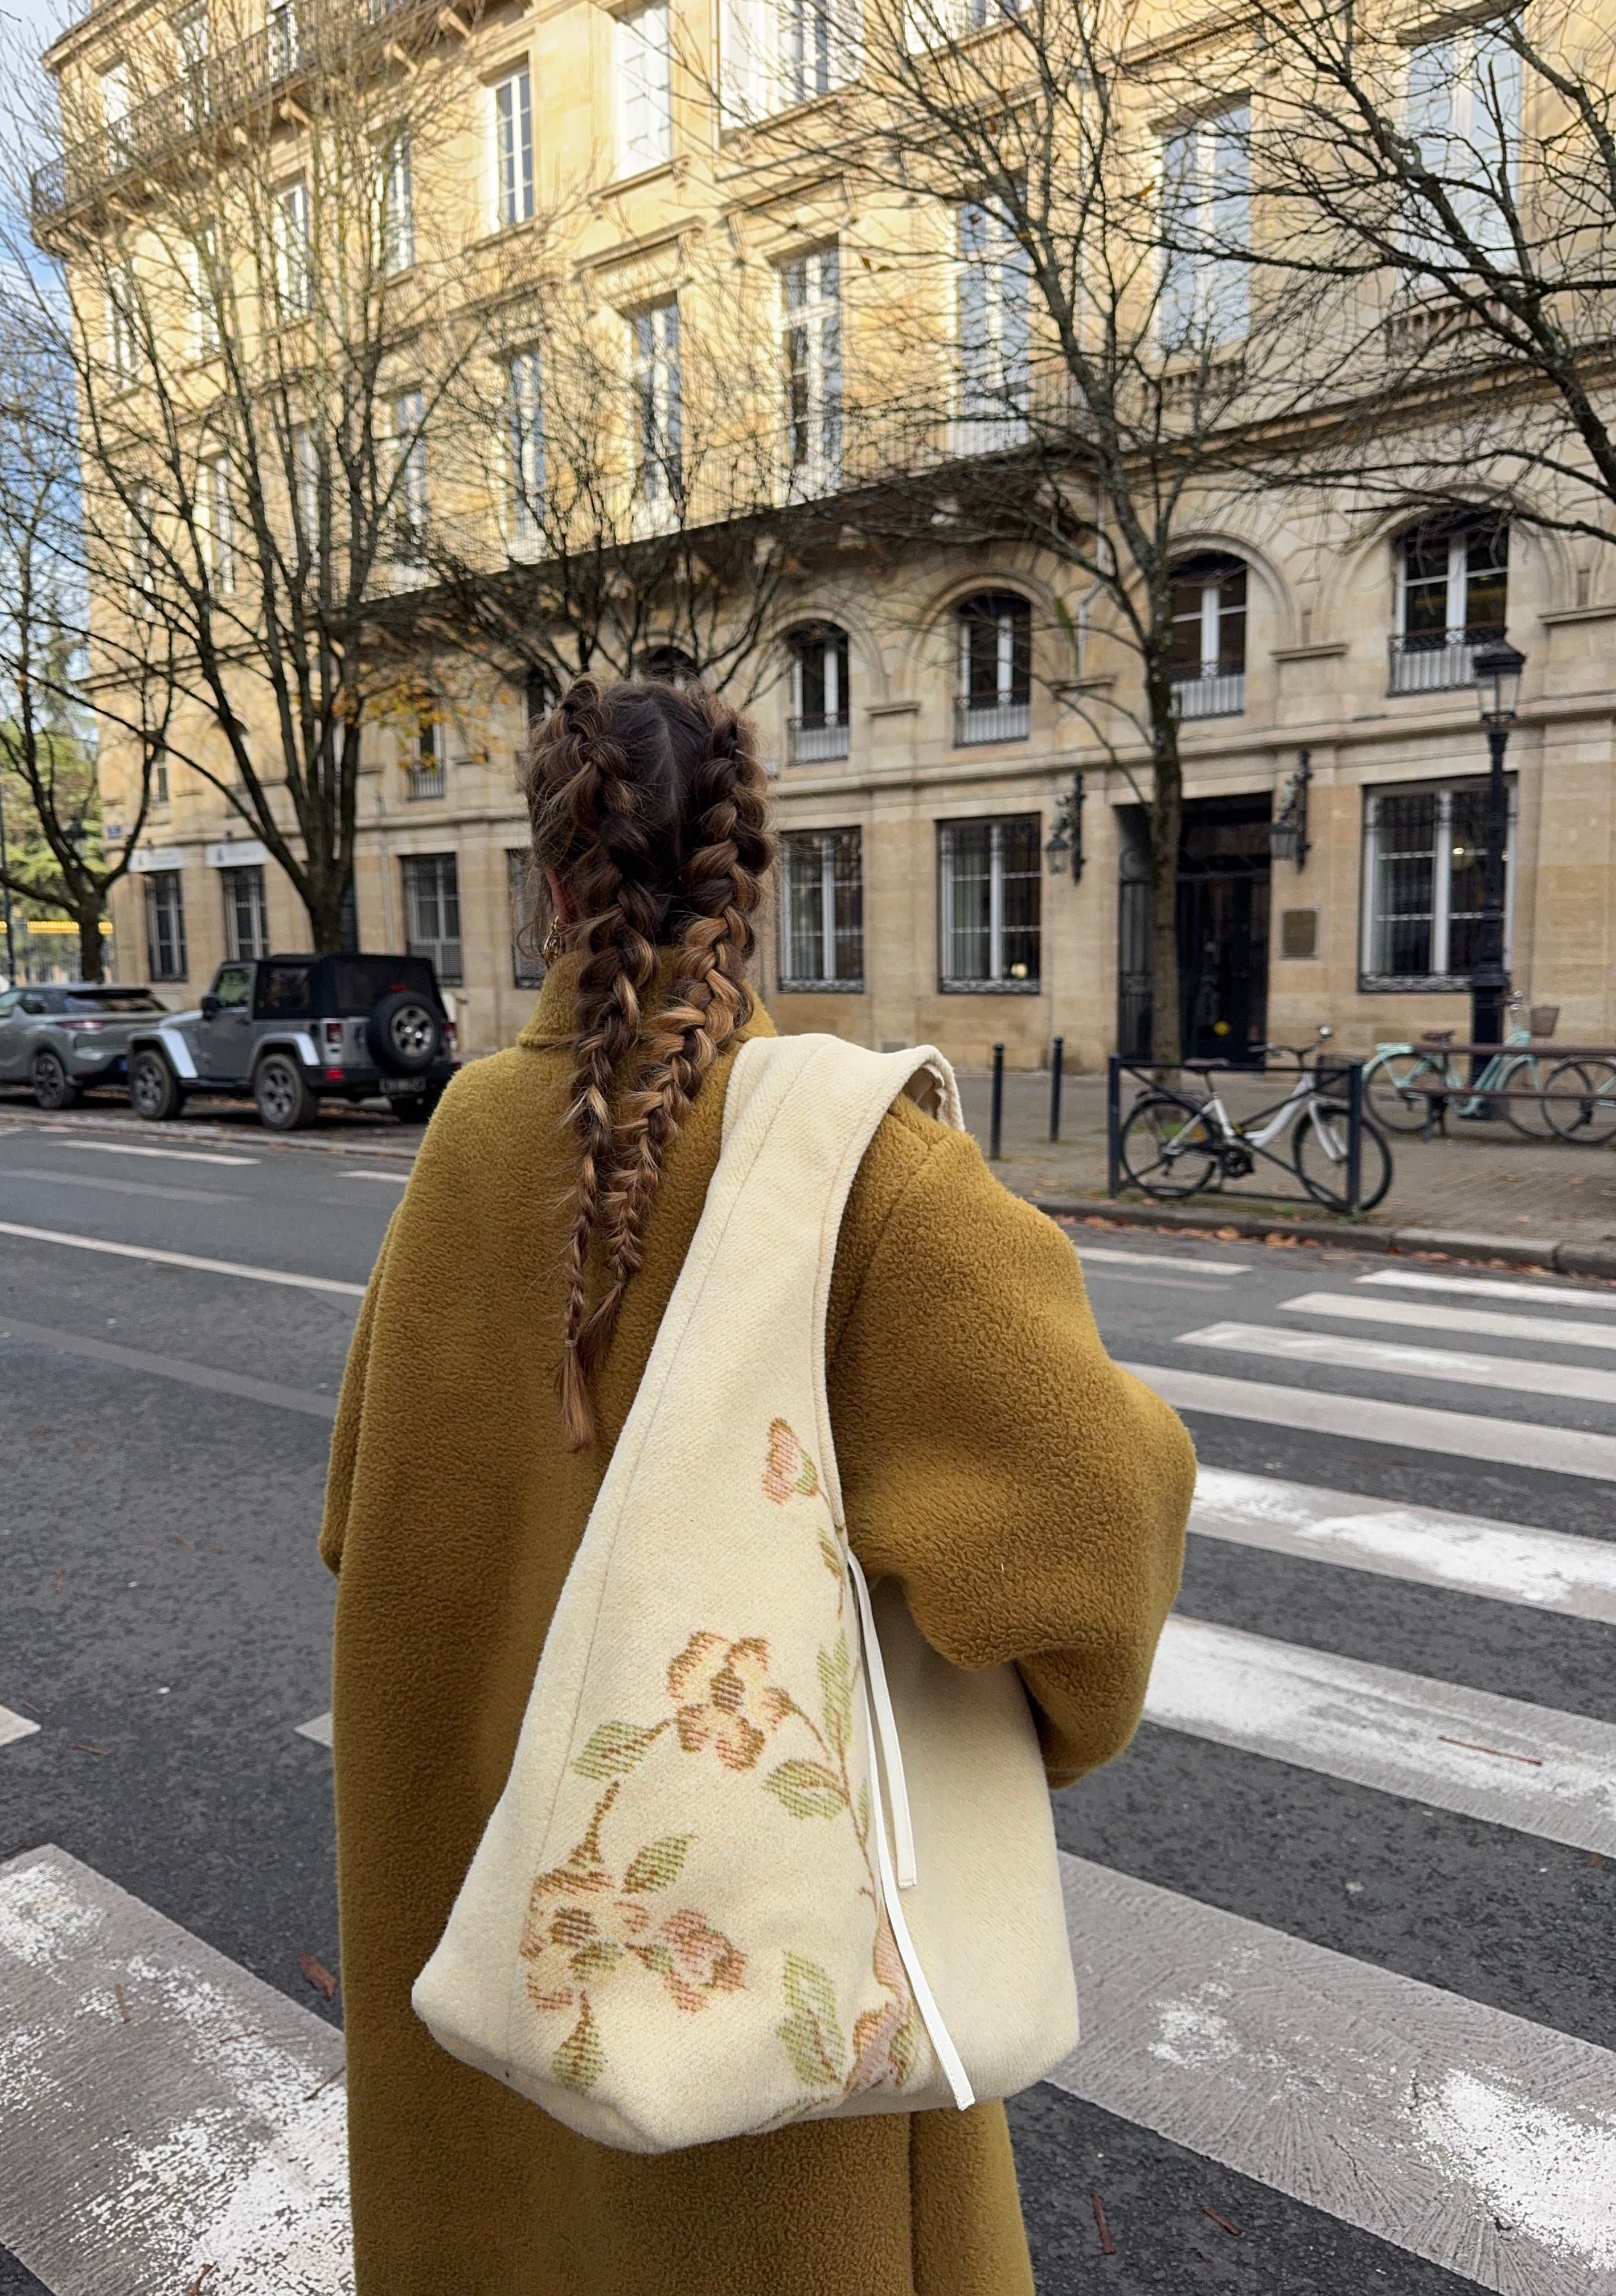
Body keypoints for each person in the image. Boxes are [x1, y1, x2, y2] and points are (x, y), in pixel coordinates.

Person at [321, 674, 1195, 2296]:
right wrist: (1039, 1713)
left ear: (548, 886)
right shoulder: (855, 1165)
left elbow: (354, 1521)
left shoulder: (461, 1143)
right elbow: (1090, 1523)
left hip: (494, 1973)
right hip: (756, 2019)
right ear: (757, 875)